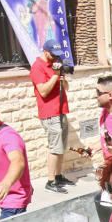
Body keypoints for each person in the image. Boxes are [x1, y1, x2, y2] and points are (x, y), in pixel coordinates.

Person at [30, 38, 74, 194]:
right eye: (53, 54)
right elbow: (43, 91)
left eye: (58, 55)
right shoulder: (37, 67)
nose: (56, 58)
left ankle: (58, 176)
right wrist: (55, 75)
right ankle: (50, 181)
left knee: (61, 146)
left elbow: (66, 87)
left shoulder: (56, 63)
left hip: (61, 110)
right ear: (45, 51)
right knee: (54, 148)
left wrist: (61, 78)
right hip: (49, 113)